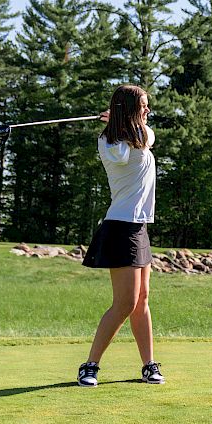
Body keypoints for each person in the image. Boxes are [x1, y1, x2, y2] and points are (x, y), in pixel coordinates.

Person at [77, 84, 164, 387]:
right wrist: (118, 125)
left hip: (139, 226)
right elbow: (125, 155)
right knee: (125, 303)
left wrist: (127, 121)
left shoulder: (141, 135)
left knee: (142, 300)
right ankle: (90, 365)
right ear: (128, 109)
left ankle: (149, 365)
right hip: (119, 226)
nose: (147, 111)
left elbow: (148, 136)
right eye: (143, 107)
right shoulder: (108, 142)